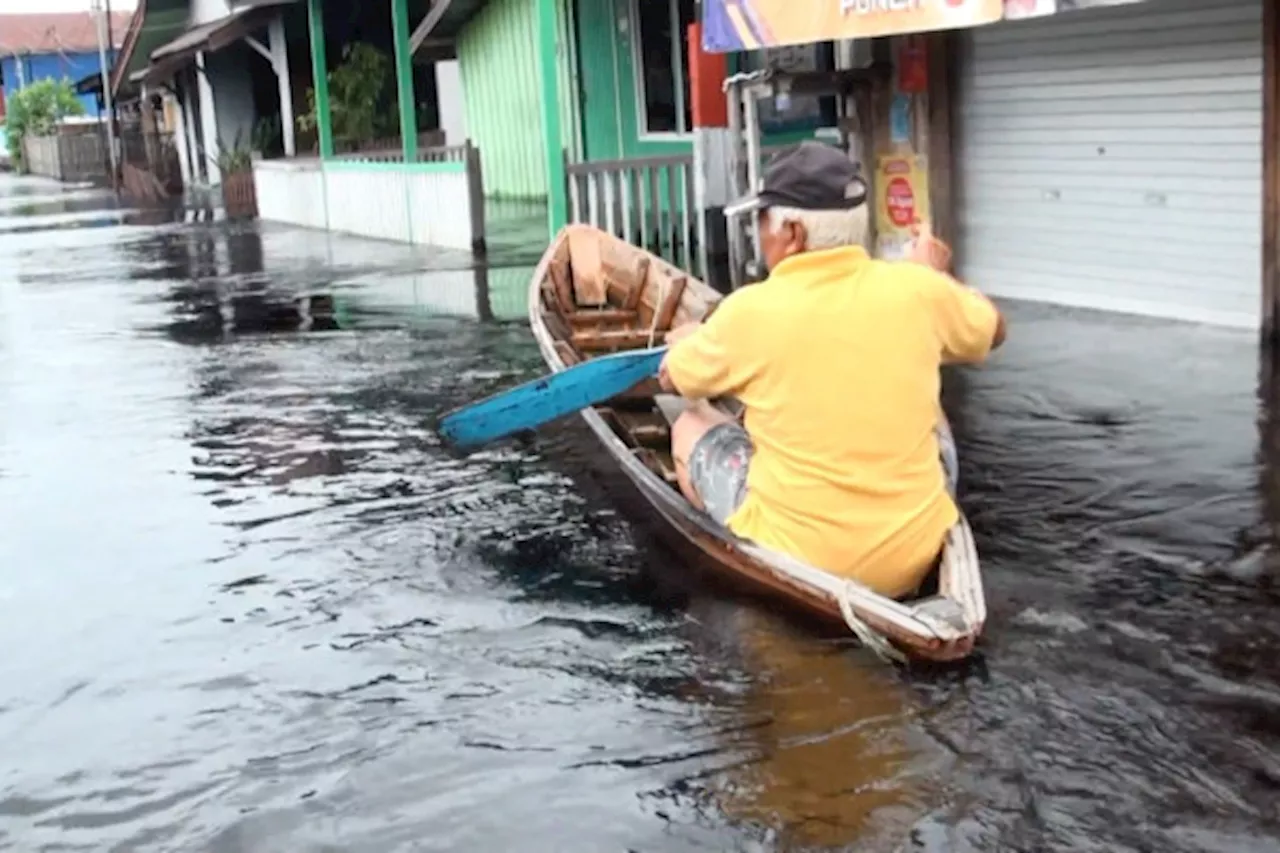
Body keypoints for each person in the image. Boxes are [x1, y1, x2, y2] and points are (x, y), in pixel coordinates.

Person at [657, 140, 1006, 600]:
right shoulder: (918, 291)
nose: (759, 235)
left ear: (794, 234)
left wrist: (686, 343)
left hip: (799, 551)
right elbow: (993, 330)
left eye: (763, 222)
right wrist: (937, 278)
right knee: (932, 409)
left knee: (688, 422)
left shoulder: (749, 311)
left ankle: (731, 542)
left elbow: (672, 379)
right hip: (911, 552)